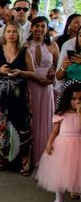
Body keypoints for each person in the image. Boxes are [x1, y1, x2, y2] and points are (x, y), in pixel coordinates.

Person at [0, 21, 36, 175]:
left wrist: (20, 72)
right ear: (4, 33)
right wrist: (0, 69)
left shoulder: (25, 51)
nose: (11, 34)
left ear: (19, 34)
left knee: (20, 124)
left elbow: (32, 72)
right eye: (9, 31)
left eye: (14, 31)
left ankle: (21, 164)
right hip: (0, 95)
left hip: (19, 94)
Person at [35, 82, 81, 202]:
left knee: (78, 172)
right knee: (60, 174)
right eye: (74, 99)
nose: (77, 102)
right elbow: (55, 132)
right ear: (67, 98)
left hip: (79, 146)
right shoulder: (61, 114)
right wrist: (49, 143)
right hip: (63, 146)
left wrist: (79, 112)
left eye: (80, 99)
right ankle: (58, 199)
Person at [26, 16, 59, 164]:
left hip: (46, 89)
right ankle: (28, 157)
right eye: (36, 26)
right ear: (31, 27)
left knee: (45, 120)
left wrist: (52, 79)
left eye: (42, 26)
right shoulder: (25, 45)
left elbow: (57, 68)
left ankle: (43, 157)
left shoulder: (53, 46)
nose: (39, 29)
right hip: (29, 86)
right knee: (30, 120)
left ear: (46, 29)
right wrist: (35, 78)